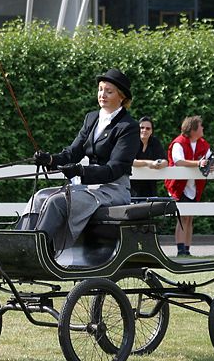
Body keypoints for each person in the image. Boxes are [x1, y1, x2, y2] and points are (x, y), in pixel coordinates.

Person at [30, 68, 140, 252]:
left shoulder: (128, 127)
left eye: (109, 91)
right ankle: (20, 244)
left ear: (121, 97)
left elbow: (116, 168)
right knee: (40, 197)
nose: (102, 95)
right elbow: (72, 153)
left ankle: (40, 250)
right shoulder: (91, 118)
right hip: (88, 188)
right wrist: (49, 159)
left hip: (113, 190)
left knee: (57, 201)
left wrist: (82, 172)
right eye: (100, 89)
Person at [164, 116, 214, 257]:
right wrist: (198, 164)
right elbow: (178, 161)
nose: (203, 128)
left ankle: (187, 249)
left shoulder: (203, 144)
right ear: (193, 129)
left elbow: (210, 159)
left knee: (190, 217)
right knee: (182, 217)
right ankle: (180, 249)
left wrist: (211, 165)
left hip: (194, 187)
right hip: (178, 186)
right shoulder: (178, 143)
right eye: (200, 126)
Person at [131, 116, 167, 198]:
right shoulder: (131, 141)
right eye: (142, 127)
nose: (144, 130)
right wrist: (148, 163)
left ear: (151, 131)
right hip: (132, 188)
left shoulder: (155, 142)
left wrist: (159, 164)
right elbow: (129, 161)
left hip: (150, 188)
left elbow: (165, 161)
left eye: (148, 128)